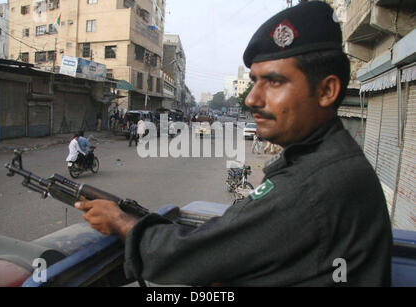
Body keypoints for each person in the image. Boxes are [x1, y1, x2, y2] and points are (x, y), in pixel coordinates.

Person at [74, 2, 392, 286]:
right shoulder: (326, 159)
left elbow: (189, 258)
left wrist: (121, 221)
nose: (252, 99)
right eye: (254, 81)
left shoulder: (312, 186)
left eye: (275, 81)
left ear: (326, 91)